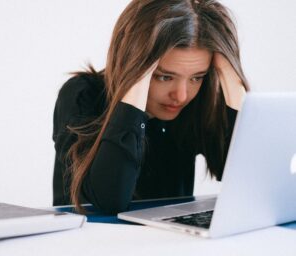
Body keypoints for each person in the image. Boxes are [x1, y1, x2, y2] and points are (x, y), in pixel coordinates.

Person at [52, 0, 249, 214]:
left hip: (169, 241)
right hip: (87, 240)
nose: (181, 96)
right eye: (164, 76)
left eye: (197, 77)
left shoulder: (198, 101)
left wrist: (233, 81)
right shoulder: (82, 95)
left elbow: (247, 182)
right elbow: (110, 200)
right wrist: (135, 85)